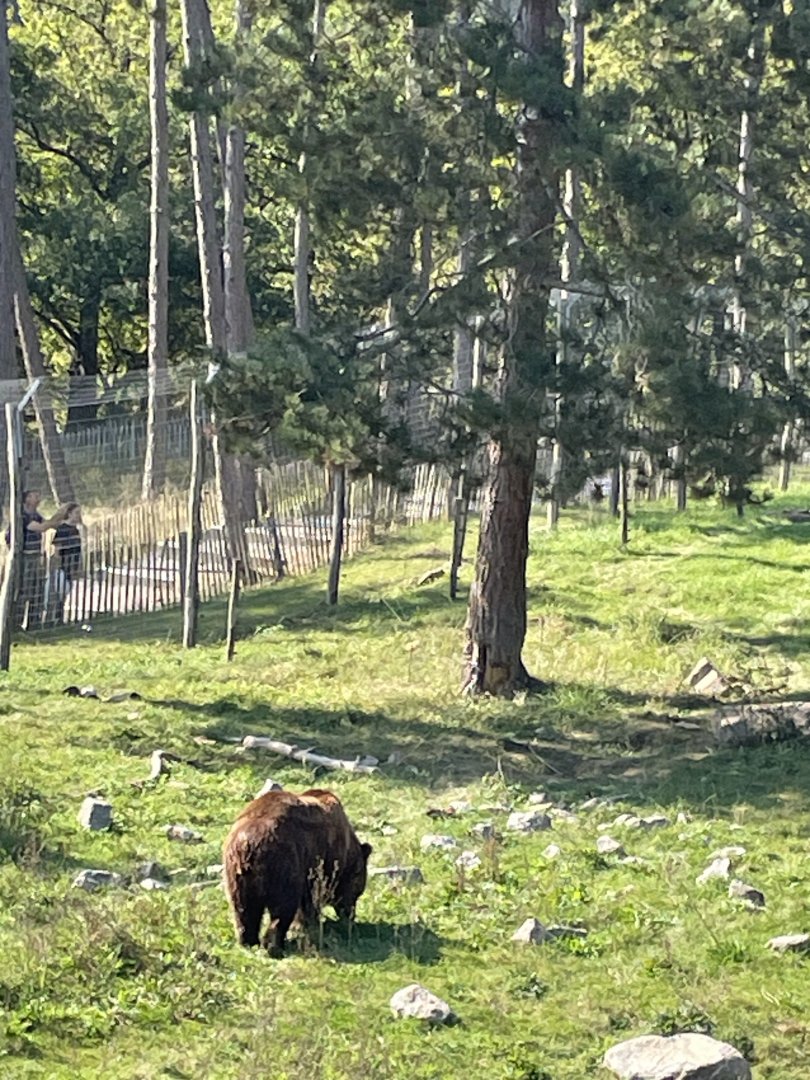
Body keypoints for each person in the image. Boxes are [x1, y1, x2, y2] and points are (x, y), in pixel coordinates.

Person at [6, 491, 69, 629]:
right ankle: (16, 624)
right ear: (27, 499)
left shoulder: (36, 515)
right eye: (35, 496)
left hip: (36, 556)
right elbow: (42, 527)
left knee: (37, 589)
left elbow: (48, 524)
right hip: (24, 557)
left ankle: (33, 623)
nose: (38, 498)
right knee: (24, 590)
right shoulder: (23, 516)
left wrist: (60, 515)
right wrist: (59, 514)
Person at [47, 503, 83, 624]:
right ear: (69, 514)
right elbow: (57, 548)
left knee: (66, 592)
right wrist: (57, 564)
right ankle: (55, 617)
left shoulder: (76, 530)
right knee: (60, 591)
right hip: (63, 564)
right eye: (76, 513)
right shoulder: (62, 529)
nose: (79, 516)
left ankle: (60, 617)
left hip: (72, 564)